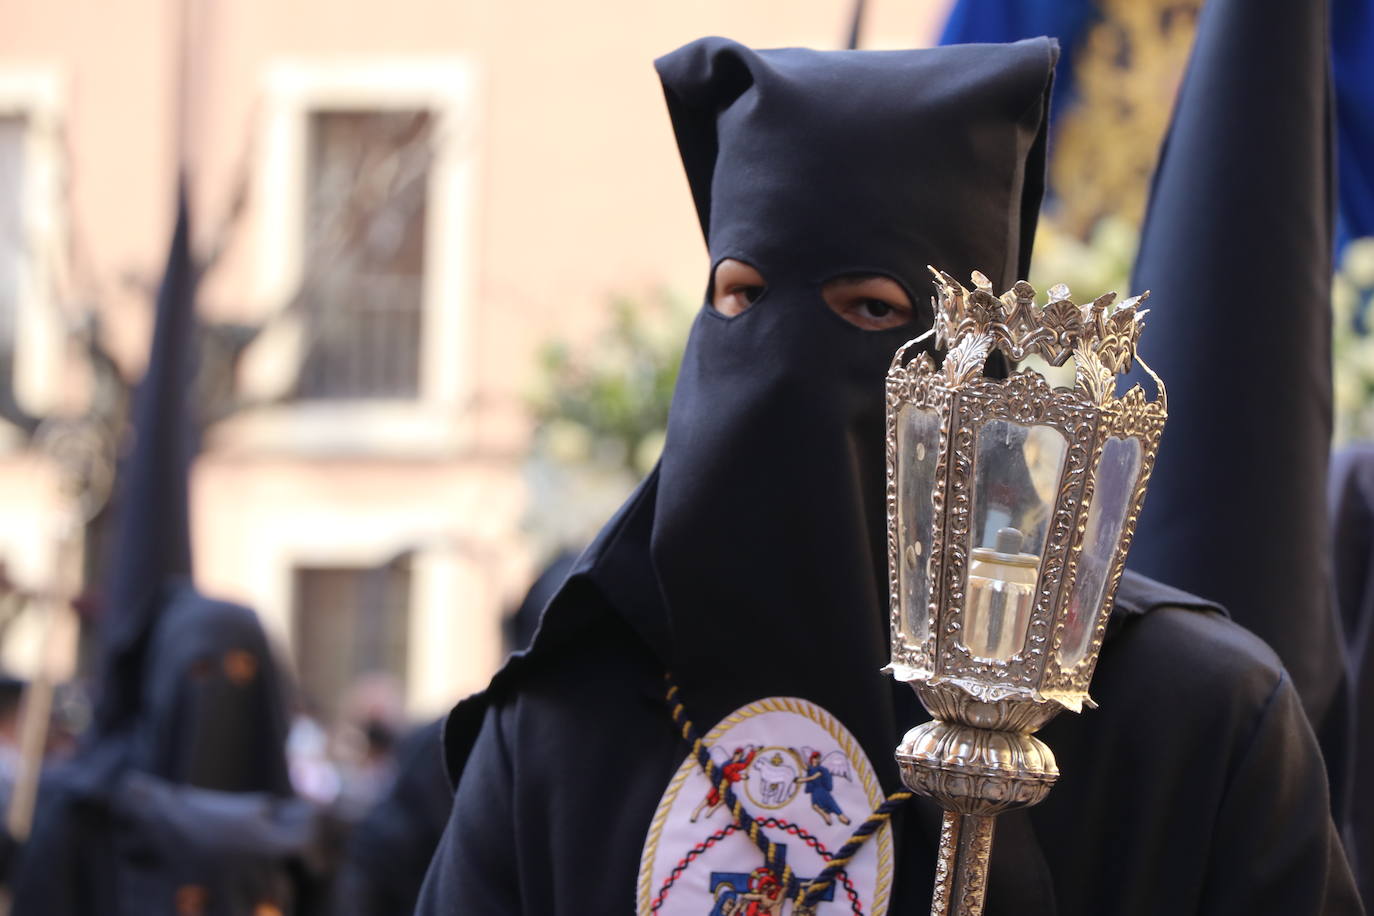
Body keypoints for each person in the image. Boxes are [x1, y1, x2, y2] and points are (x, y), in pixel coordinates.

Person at [416, 36, 1361, 915]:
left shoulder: (1193, 721)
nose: (784, 360)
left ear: (982, 374)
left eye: (868, 307)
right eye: (744, 297)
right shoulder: (563, 724)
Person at [10, 585, 324, 915]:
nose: (220, 691)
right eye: (201, 669)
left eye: (243, 669)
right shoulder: (86, 817)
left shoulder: (301, 839)